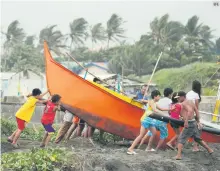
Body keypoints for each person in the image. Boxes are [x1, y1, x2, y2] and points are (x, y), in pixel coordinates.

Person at [127, 90, 173, 154]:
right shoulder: (152, 102)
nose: (159, 98)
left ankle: (148, 148)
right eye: (159, 96)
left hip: (150, 121)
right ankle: (131, 148)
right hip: (145, 120)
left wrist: (170, 109)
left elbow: (162, 109)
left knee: (154, 133)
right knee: (141, 135)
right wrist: (165, 115)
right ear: (155, 97)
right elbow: (155, 110)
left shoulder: (154, 103)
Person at [174, 91, 213, 160]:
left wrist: (186, 122)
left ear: (183, 96)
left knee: (181, 139)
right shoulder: (191, 102)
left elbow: (189, 111)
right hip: (193, 122)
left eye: (179, 97)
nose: (178, 99)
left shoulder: (183, 103)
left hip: (189, 123)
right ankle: (209, 149)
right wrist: (198, 121)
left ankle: (178, 155)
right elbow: (196, 111)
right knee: (197, 138)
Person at [186, 80, 202, 152]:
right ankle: (195, 147)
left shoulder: (188, 93)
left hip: (186, 113)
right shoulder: (196, 94)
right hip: (192, 113)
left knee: (188, 129)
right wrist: (198, 119)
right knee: (198, 129)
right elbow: (196, 107)